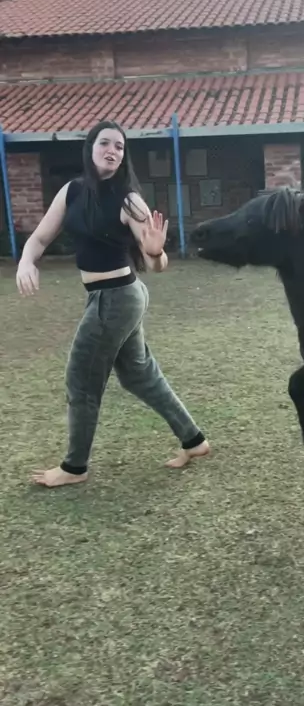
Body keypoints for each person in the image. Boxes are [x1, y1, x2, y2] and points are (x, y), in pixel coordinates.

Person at [15, 120, 210, 488]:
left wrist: (156, 252)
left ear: (123, 156)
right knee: (139, 375)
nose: (112, 151)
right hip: (107, 297)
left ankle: (75, 467)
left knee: (81, 380)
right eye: (105, 143)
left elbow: (155, 264)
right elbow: (39, 239)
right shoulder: (72, 192)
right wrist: (26, 261)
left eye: (119, 147)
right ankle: (194, 440)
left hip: (117, 297)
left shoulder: (129, 200)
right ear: (90, 148)